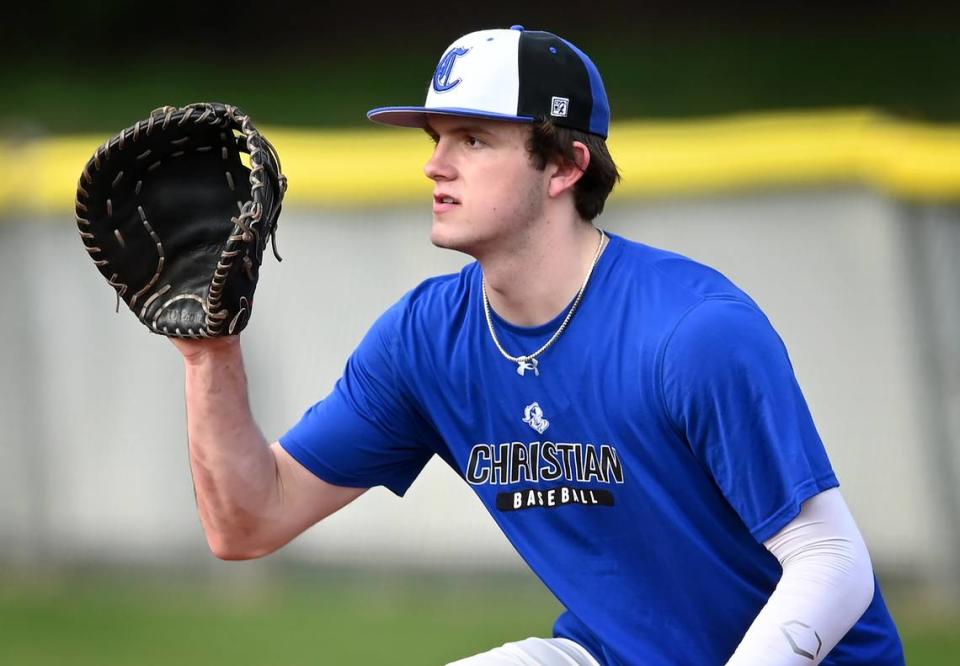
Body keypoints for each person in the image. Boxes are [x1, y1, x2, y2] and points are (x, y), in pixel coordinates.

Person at [172, 26, 905, 665]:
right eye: (437, 139)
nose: (435, 164)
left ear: (564, 166)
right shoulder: (427, 340)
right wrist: (211, 355)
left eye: (474, 139)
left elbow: (832, 562)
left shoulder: (692, 332)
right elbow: (250, 521)